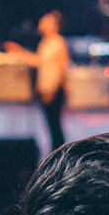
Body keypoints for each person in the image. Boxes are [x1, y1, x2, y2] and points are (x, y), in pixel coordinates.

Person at [35, 10, 69, 155]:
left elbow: (62, 68)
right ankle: (55, 154)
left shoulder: (58, 43)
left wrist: (54, 90)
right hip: (46, 89)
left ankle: (59, 154)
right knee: (50, 124)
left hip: (54, 90)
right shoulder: (45, 42)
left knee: (55, 125)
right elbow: (40, 63)